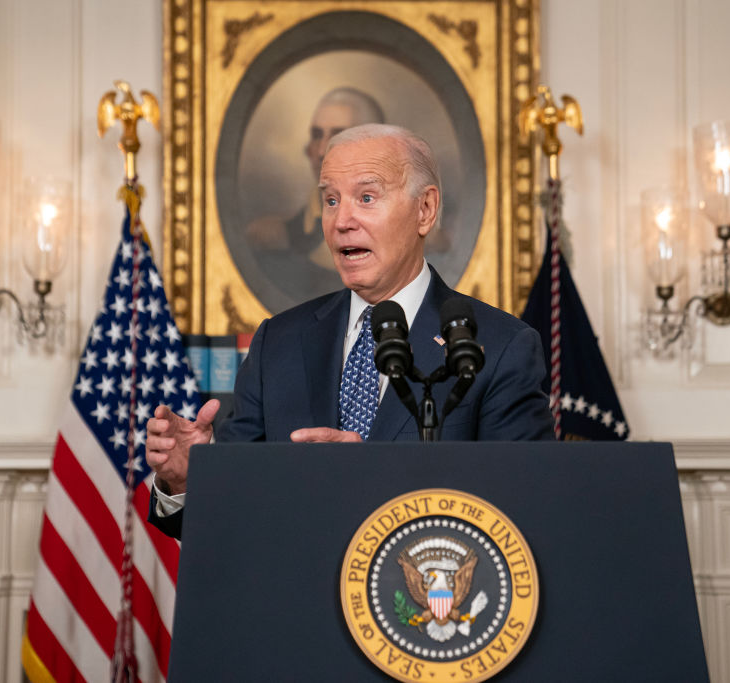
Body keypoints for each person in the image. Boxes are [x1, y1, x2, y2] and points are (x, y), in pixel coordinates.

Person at [147, 124, 554, 539]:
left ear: (425, 210)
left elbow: (523, 512)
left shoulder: (499, 348)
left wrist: (373, 480)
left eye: (366, 197)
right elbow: (230, 518)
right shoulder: (277, 344)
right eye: (330, 200)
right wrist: (186, 481)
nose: (342, 220)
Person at [245, 88, 387, 304]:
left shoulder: (408, 240)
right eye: (317, 135)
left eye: (338, 136)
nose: (321, 151)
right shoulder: (273, 241)